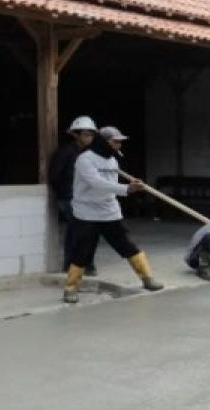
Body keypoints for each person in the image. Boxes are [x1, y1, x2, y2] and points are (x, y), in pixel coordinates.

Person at [63, 126, 164, 303]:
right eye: (115, 141)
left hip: (109, 210)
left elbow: (110, 184)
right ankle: (70, 288)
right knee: (82, 252)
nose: (118, 145)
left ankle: (147, 278)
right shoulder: (85, 159)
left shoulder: (112, 161)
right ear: (103, 141)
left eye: (120, 142)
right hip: (87, 212)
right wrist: (126, 189)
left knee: (127, 245)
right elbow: (96, 183)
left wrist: (130, 185)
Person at [47, 116, 98, 276]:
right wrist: (64, 194)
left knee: (79, 231)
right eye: (85, 134)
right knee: (82, 230)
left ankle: (76, 264)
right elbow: (55, 176)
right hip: (69, 198)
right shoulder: (66, 152)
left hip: (85, 199)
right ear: (75, 134)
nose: (89, 137)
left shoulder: (91, 154)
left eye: (91, 134)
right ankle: (79, 264)